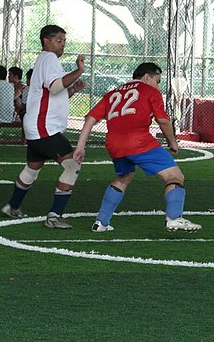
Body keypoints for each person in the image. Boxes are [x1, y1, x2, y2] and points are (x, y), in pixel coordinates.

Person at [73, 62, 202, 233]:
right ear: (147, 77)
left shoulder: (112, 94)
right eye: (157, 80)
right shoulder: (150, 92)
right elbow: (163, 120)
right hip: (139, 141)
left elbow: (90, 118)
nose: (158, 85)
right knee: (175, 176)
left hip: (114, 144)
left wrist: (80, 146)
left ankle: (101, 222)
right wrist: (173, 142)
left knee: (123, 177)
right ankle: (174, 218)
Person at [0, 24, 86, 229]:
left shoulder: (46, 61)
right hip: (44, 127)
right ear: (46, 41)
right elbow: (55, 86)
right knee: (73, 166)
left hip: (37, 126)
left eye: (64, 41)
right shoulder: (49, 59)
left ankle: (12, 207)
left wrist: (73, 87)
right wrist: (79, 71)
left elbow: (56, 93)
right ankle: (54, 216)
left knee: (33, 167)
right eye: (59, 40)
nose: (63, 44)